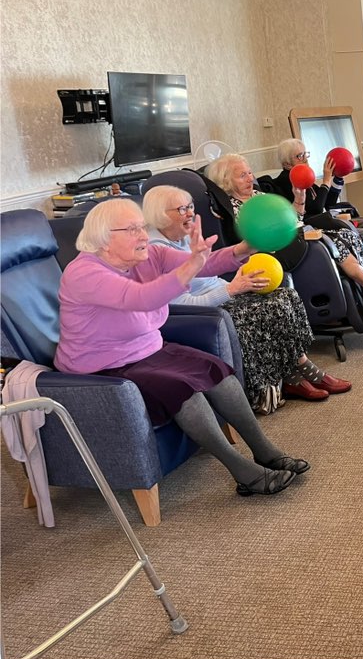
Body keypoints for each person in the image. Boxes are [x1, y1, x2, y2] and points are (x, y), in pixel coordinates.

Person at [55, 199, 309, 496]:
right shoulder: (84, 273)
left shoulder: (148, 255)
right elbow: (140, 298)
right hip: (102, 367)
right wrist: (190, 267)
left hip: (147, 349)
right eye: (132, 229)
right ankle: (244, 473)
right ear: (104, 238)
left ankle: (264, 451)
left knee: (218, 371)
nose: (143, 235)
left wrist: (247, 246)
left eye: (142, 227)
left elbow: (207, 263)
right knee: (183, 390)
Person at [143, 186, 352, 411]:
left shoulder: (185, 236)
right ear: (161, 214)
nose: (190, 213)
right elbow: (178, 304)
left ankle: (296, 370)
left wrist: (240, 271)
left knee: (284, 296)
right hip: (202, 312)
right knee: (267, 308)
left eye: (190, 207)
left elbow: (210, 266)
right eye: (182, 209)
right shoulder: (156, 251)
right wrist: (231, 290)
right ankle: (295, 377)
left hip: (222, 291)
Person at [206, 154, 363, 312]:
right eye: (242, 175)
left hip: (293, 236)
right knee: (331, 242)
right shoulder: (234, 208)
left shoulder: (259, 196)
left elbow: (295, 219)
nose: (250, 178)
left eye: (250, 172)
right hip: (275, 249)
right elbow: (255, 238)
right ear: (226, 181)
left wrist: (299, 198)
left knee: (347, 234)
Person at [272, 139, 363, 293]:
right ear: (287, 164)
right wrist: (326, 180)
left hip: (325, 220)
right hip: (314, 227)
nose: (306, 159)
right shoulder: (288, 181)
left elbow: (328, 203)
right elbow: (316, 207)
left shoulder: (306, 177)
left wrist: (337, 179)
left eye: (305, 154)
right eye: (299, 156)